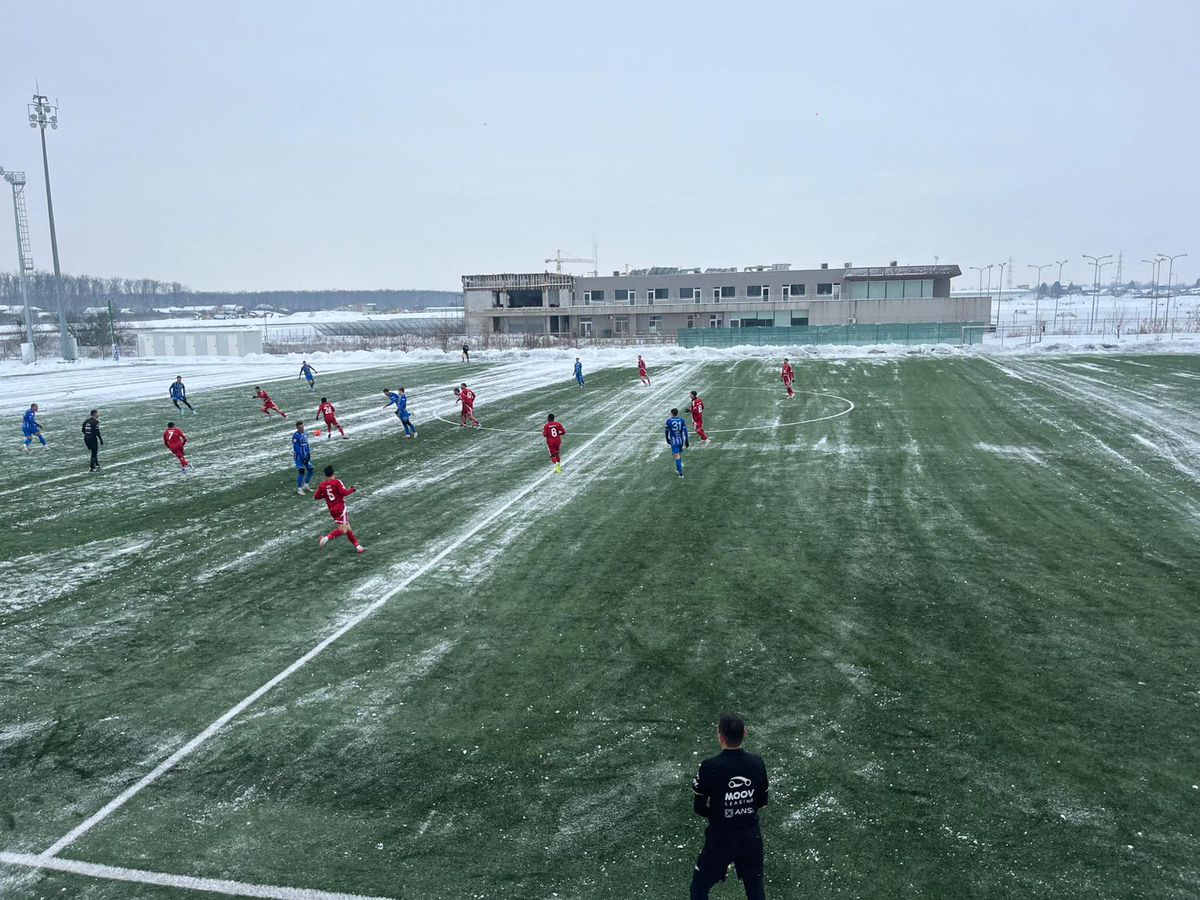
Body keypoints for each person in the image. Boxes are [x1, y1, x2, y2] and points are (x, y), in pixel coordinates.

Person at [689, 713, 770, 900]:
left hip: (720, 838)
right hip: (751, 837)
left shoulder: (709, 766)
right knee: (755, 890)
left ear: (720, 737)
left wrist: (720, 816)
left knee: (699, 888)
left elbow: (699, 807)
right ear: (745, 733)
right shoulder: (757, 763)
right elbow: (762, 801)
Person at [314, 465, 365, 553]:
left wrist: (325, 495)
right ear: (333, 473)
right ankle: (325, 539)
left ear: (325, 475)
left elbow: (316, 497)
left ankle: (358, 547)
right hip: (340, 508)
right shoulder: (337, 482)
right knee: (344, 530)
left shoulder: (322, 485)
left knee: (348, 528)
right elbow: (343, 493)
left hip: (332, 510)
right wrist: (352, 490)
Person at [665, 407, 689, 479]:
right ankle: (678, 469)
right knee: (678, 454)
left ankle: (680, 473)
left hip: (674, 441)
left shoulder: (668, 421)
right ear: (677, 413)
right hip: (680, 440)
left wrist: (667, 439)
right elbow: (685, 432)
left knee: (677, 456)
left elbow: (666, 432)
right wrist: (687, 441)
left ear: (672, 413)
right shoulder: (682, 420)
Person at [292, 421, 314, 495]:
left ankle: (306, 485)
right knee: (301, 471)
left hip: (305, 456)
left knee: (310, 470)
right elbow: (297, 448)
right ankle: (299, 489)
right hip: (298, 457)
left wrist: (308, 455)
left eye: (303, 427)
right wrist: (302, 458)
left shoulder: (305, 434)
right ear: (297, 428)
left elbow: (307, 444)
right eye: (300, 427)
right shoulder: (296, 436)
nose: (302, 428)